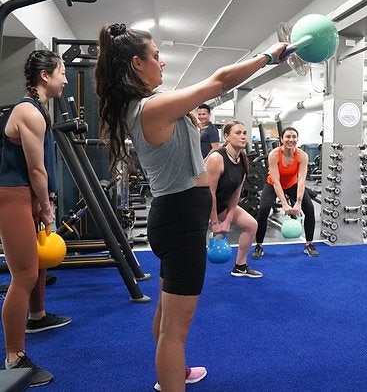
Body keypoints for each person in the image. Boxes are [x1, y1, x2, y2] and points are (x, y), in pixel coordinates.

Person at [94, 22, 286, 392]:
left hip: (177, 217)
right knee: (174, 330)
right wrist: (268, 56)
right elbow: (219, 82)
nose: (162, 62)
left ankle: (173, 373)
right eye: (155, 55)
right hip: (180, 220)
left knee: (167, 314)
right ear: (137, 63)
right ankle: (170, 383)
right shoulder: (151, 107)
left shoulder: (146, 104)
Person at [0, 50, 72, 386]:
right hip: (13, 194)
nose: (66, 79)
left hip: (25, 193)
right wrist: (46, 207)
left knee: (38, 263)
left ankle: (37, 316)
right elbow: (37, 168)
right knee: (24, 274)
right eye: (61, 72)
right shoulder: (29, 112)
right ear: (45, 75)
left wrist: (44, 204)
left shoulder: (36, 110)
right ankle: (14, 357)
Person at [206, 120, 261, 278]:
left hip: (221, 204)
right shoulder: (217, 158)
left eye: (244, 133)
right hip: (199, 205)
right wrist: (215, 223)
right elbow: (209, 194)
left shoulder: (243, 159)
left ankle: (240, 266)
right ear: (226, 137)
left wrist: (228, 220)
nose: (243, 136)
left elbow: (236, 193)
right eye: (238, 133)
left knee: (251, 225)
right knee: (190, 245)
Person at [252, 127, 317, 259]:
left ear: (297, 139)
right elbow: (276, 182)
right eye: (287, 137)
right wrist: (284, 204)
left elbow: (302, 181)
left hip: (293, 184)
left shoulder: (302, 156)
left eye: (294, 137)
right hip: (272, 184)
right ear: (281, 139)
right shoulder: (274, 155)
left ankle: (309, 244)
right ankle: (259, 245)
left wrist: (298, 203)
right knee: (264, 210)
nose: (291, 140)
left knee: (309, 208)